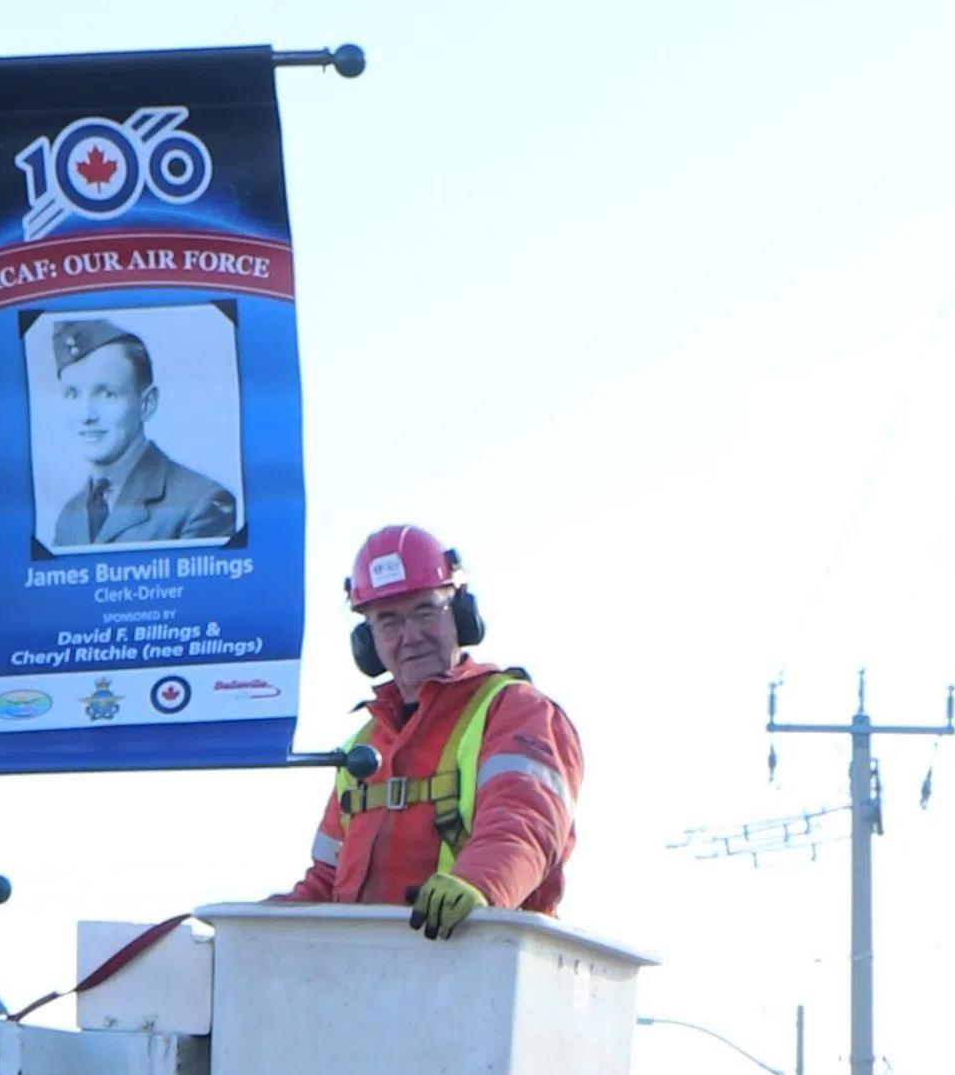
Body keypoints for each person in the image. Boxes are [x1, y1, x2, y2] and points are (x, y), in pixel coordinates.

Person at [279, 522, 581, 939]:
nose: (411, 636)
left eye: (425, 610)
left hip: (478, 963)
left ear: (460, 614)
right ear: (367, 641)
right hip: (364, 978)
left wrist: (480, 883)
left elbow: (525, 821)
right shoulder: (361, 747)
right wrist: (253, 926)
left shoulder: (516, 711)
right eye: (389, 621)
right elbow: (326, 882)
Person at [40, 317, 238, 546]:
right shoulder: (69, 517)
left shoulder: (200, 504)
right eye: (72, 394)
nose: (86, 415)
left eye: (107, 394)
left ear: (147, 404)